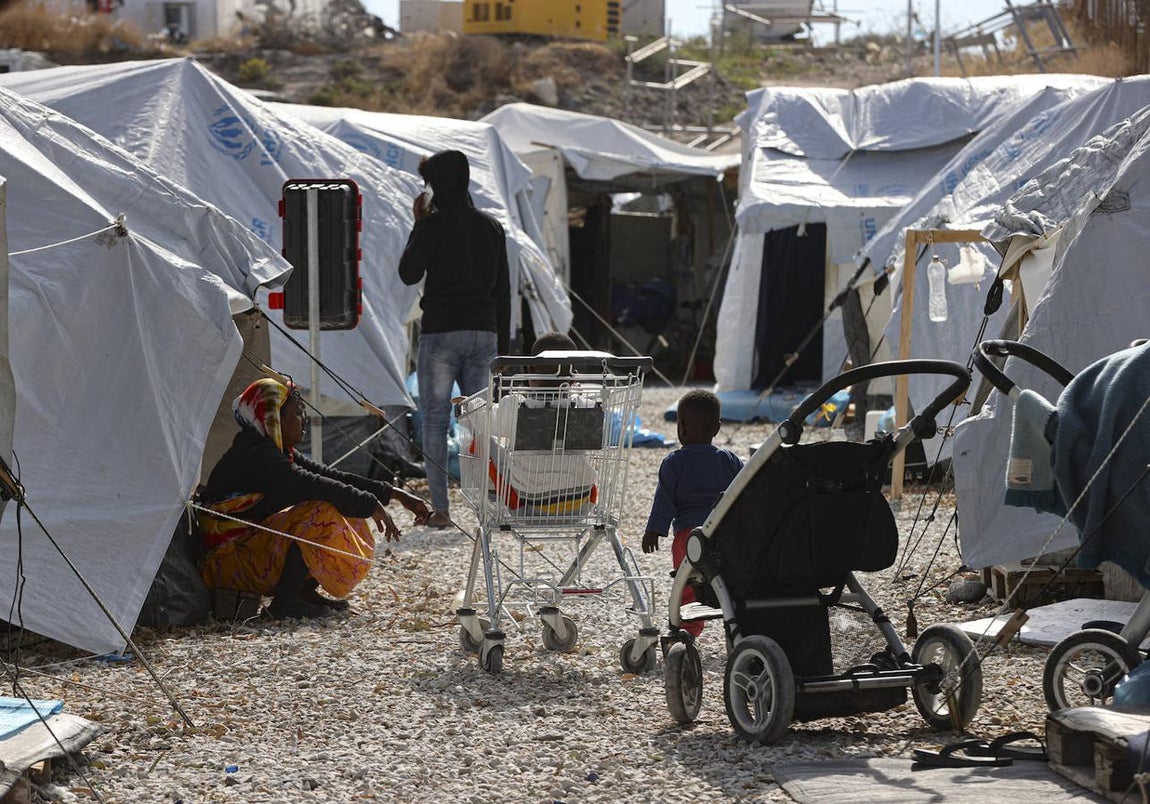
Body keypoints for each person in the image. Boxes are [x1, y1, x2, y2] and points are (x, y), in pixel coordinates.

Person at [199, 378, 430, 619]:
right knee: (319, 513)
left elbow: (328, 475)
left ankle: (301, 593)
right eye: (298, 413)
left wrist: (393, 493)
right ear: (273, 418)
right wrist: (370, 503)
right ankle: (284, 605)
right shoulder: (257, 456)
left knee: (335, 504)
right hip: (224, 565)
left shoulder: (271, 449)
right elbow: (312, 484)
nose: (304, 421)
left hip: (243, 553)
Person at [399, 149, 510, 530]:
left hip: (442, 331)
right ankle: (492, 504)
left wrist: (418, 224)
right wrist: (504, 347)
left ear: (435, 186)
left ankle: (442, 511)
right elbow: (503, 291)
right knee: (480, 422)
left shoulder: (432, 226)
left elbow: (408, 274)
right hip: (484, 331)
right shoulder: (492, 227)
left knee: (433, 420)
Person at [642, 390, 743, 636]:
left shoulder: (674, 462)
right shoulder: (729, 460)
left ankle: (688, 629)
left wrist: (654, 530)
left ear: (681, 427)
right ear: (717, 429)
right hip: (725, 536)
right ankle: (740, 621)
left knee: (687, 583)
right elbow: (744, 492)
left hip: (688, 537)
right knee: (730, 581)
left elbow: (664, 500)